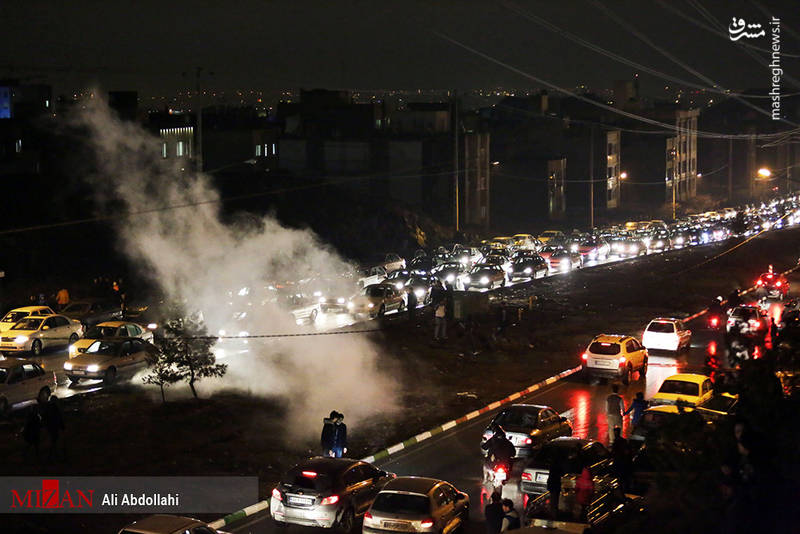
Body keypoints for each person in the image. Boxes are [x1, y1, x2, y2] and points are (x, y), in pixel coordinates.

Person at [42, 395, 65, 461]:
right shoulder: (55, 408)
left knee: (53, 440)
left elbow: (45, 417)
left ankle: (52, 454)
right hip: (54, 426)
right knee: (54, 440)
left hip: (50, 426)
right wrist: (62, 426)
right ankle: (53, 454)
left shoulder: (48, 407)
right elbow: (59, 417)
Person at [610, 427, 633, 492]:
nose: (615, 433)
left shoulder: (619, 441)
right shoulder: (620, 441)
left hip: (620, 463)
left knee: (622, 478)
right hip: (621, 463)